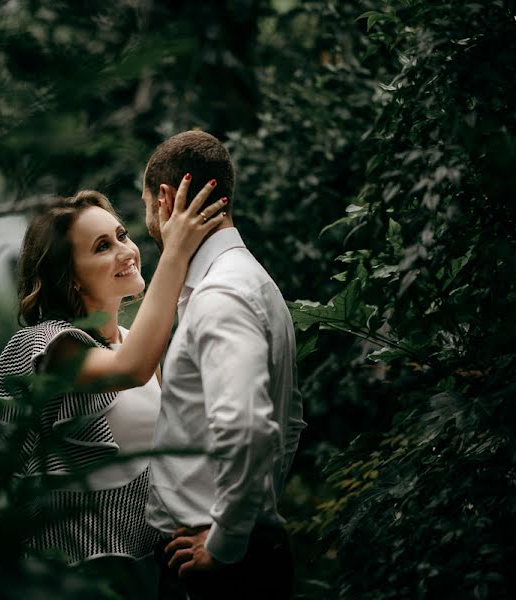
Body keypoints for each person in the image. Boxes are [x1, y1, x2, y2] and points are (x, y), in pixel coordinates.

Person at [0, 179, 225, 597]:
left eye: (122, 235)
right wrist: (177, 250)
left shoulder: (128, 341)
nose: (126, 251)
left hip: (141, 579)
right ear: (70, 278)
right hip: (66, 582)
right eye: (102, 247)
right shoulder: (49, 345)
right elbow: (132, 370)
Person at [141, 130, 307, 599]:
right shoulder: (254, 281)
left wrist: (227, 542)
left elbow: (251, 428)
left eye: (145, 201)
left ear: (166, 199)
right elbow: (289, 422)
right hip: (239, 553)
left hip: (216, 569)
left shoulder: (220, 295)